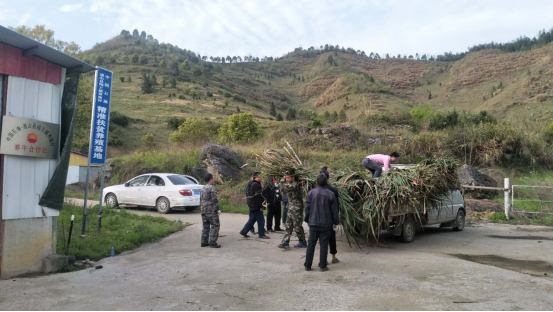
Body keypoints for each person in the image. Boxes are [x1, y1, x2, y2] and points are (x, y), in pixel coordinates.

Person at [304, 173, 340, 272]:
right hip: (326, 223)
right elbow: (334, 210)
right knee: (324, 244)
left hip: (313, 222)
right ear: (326, 182)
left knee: (311, 244)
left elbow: (307, 207)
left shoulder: (311, 193)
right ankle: (323, 265)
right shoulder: (330, 194)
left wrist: (307, 219)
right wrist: (336, 222)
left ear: (317, 182)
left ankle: (307, 265)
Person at [278, 169, 308, 249]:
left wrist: (284, 179)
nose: (286, 179)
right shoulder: (287, 182)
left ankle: (302, 242)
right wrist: (285, 177)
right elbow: (281, 183)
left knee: (297, 226)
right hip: (290, 207)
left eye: (288, 178)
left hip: (297, 208)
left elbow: (285, 185)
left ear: (293, 178)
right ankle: (285, 241)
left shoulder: (296, 184)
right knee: (288, 225)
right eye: (286, 178)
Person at [240, 172, 270, 240]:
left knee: (252, 219)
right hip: (256, 205)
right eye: (260, 177)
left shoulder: (254, 184)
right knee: (261, 220)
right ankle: (261, 234)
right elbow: (257, 197)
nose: (261, 178)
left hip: (253, 205)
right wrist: (261, 206)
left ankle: (244, 231)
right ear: (257, 177)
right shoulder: (256, 185)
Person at [320, 168, 340, 265]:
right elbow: (336, 206)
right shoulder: (333, 190)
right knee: (332, 237)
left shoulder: (315, 190)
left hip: (319, 218)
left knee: (323, 239)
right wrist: (336, 219)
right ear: (328, 178)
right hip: (330, 219)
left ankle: (324, 259)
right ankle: (333, 257)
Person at [201, 174, 222, 248]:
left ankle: (204, 242)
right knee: (215, 225)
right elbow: (214, 200)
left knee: (205, 226)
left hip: (203, 209)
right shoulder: (212, 188)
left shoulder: (203, 188)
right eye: (213, 178)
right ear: (211, 179)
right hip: (211, 210)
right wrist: (218, 209)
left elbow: (201, 199)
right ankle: (212, 242)